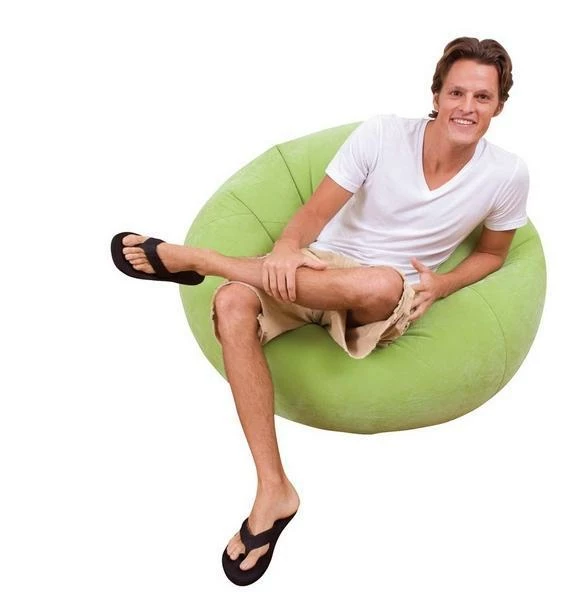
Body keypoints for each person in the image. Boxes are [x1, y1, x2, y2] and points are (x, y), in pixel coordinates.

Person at [112, 36, 529, 585]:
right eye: (456, 93)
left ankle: (203, 260)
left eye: (482, 97)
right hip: (317, 266)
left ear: (499, 105)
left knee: (381, 281)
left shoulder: (506, 175)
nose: (467, 107)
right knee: (231, 301)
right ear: (436, 94)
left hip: (381, 296)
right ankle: (273, 490)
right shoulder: (382, 134)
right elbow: (314, 213)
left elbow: (494, 254)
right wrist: (287, 250)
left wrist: (443, 284)